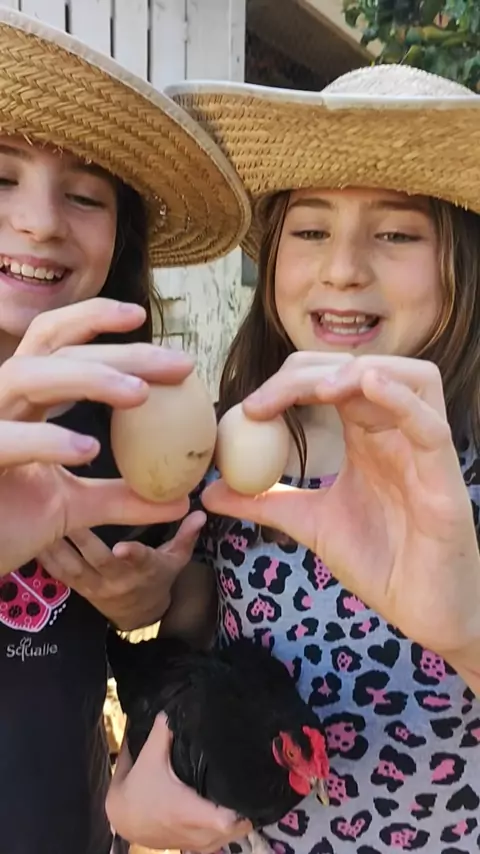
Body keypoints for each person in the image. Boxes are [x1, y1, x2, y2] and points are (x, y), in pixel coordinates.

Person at [108, 66, 480, 854]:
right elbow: (188, 666)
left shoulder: (464, 478)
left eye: (398, 234)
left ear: (465, 263)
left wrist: (467, 635)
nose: (343, 267)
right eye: (311, 231)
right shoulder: (227, 457)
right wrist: (135, 788)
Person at [0, 8, 251, 854]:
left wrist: (143, 606)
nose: (40, 222)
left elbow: (176, 606)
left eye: (85, 195)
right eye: (0, 177)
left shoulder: (123, 416)